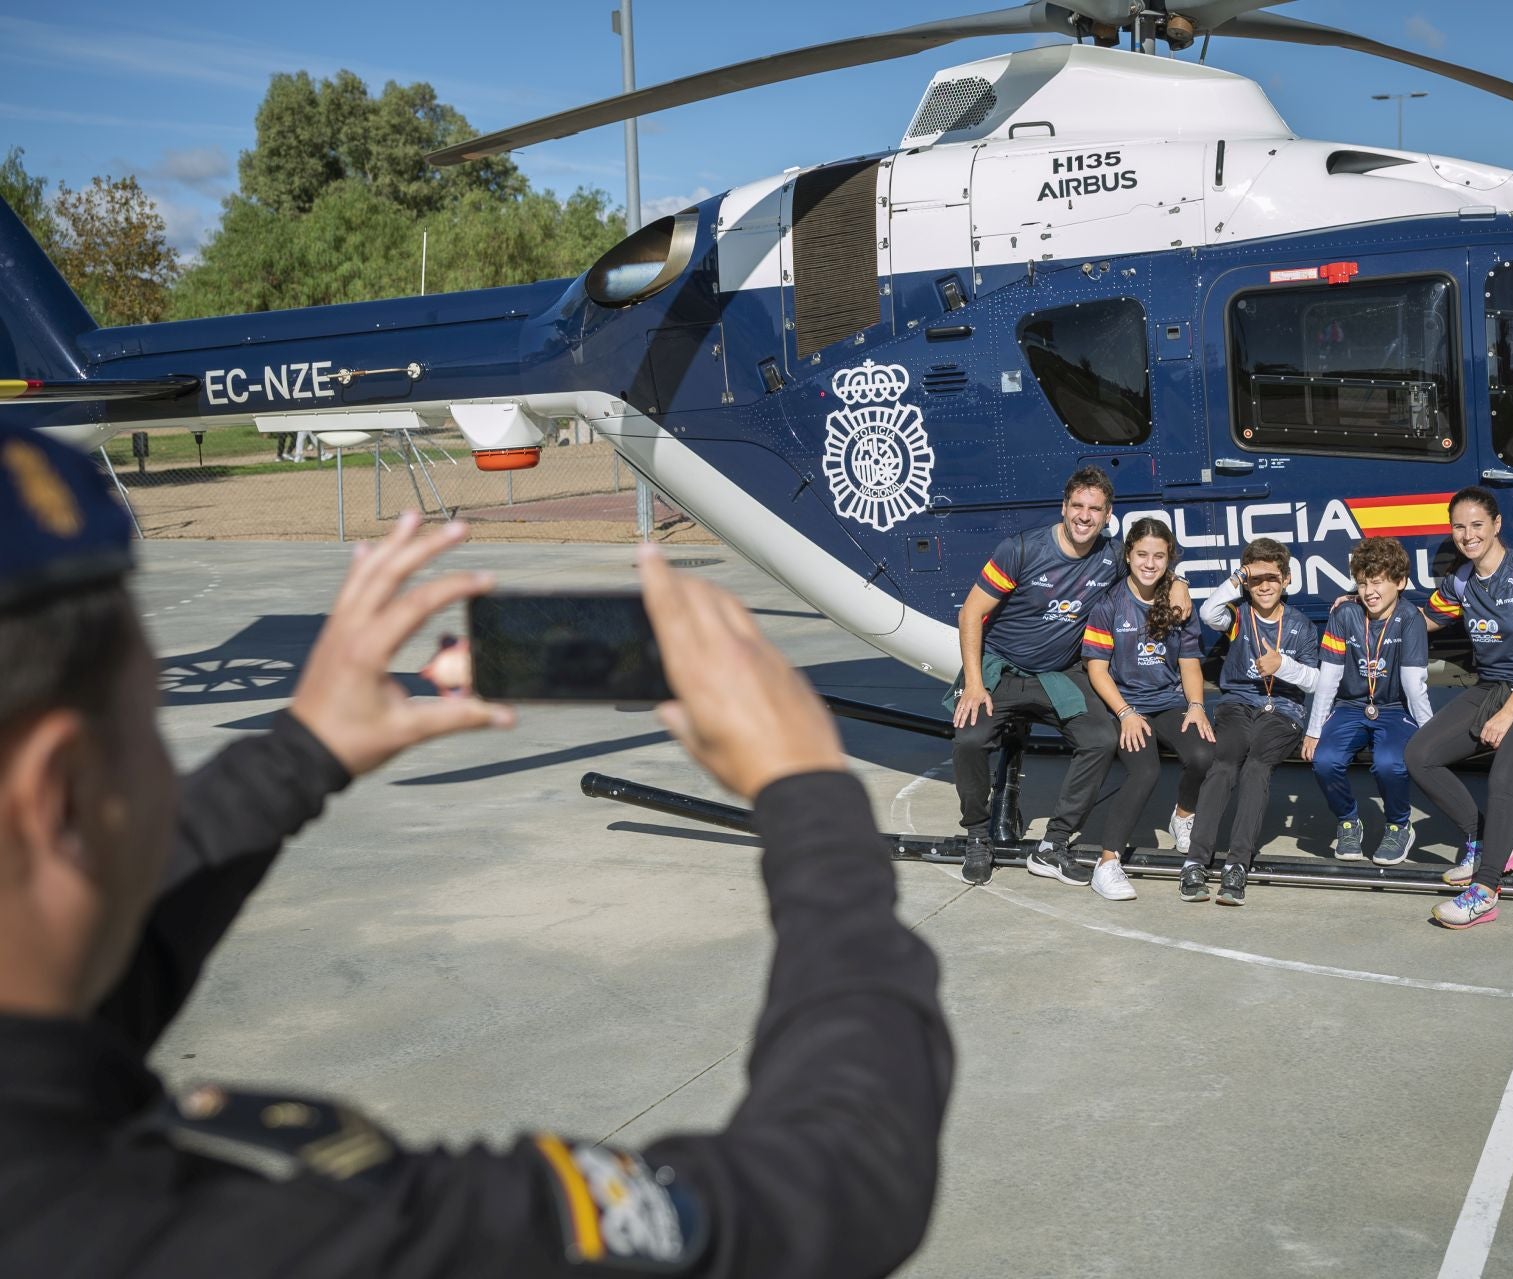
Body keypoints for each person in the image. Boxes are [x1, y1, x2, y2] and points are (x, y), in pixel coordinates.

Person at [0, 423, 953, 1277]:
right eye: (147, 724)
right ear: (64, 789)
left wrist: (302, 751)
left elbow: (81, 992)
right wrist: (809, 792)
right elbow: (838, 1177)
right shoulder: (281, 1236)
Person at [947, 467, 1189, 888]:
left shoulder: (1111, 555)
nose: (1084, 516)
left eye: (1094, 509)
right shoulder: (1021, 549)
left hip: (1060, 673)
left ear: (1107, 514)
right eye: (1077, 506)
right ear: (1063, 507)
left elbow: (1148, 567)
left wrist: (1177, 581)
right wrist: (973, 683)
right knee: (968, 738)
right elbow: (971, 613)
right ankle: (976, 835)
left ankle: (1054, 844)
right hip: (1002, 667)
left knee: (1100, 739)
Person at [1407, 486, 1513, 930]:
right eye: (1459, 526)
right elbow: (1423, 623)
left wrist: (1508, 714)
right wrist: (1368, 609)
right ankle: (1484, 841)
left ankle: (1485, 890)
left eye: (1477, 524)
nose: (1468, 534)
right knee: (1420, 756)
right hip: (1493, 686)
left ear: (1497, 525)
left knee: (1504, 777)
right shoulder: (1460, 581)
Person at [1080, 518, 1214, 903]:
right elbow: (1097, 668)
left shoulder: (1177, 602)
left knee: (1204, 752)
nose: (1150, 563)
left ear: (1169, 557)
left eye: (1159, 555)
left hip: (1168, 701)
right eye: (1142, 554)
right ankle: (1107, 864)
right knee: (1146, 770)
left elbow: (1189, 663)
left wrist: (1197, 705)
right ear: (1128, 555)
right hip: (1127, 706)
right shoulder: (1109, 604)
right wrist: (1124, 713)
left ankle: (1183, 815)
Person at [1186, 539, 1321, 906]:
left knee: (1257, 765)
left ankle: (1237, 864)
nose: (1264, 586)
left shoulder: (1301, 626)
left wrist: (1284, 667)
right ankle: (1196, 859)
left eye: (1272, 578)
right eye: (1255, 578)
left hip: (1284, 711)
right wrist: (1238, 576)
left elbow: (1317, 681)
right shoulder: (1238, 616)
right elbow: (1208, 611)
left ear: (1287, 580)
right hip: (1239, 704)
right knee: (1226, 761)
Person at [1302, 537, 1433, 866]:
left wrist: (1432, 735)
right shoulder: (1344, 614)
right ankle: (1348, 821)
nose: (1369, 591)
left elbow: (1414, 684)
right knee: (1324, 759)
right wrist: (1314, 730)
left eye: (1377, 582)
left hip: (1395, 709)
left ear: (1400, 582)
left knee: (1389, 764)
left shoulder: (1411, 618)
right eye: (1362, 583)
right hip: (1350, 706)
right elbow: (1329, 677)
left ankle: (1399, 825)